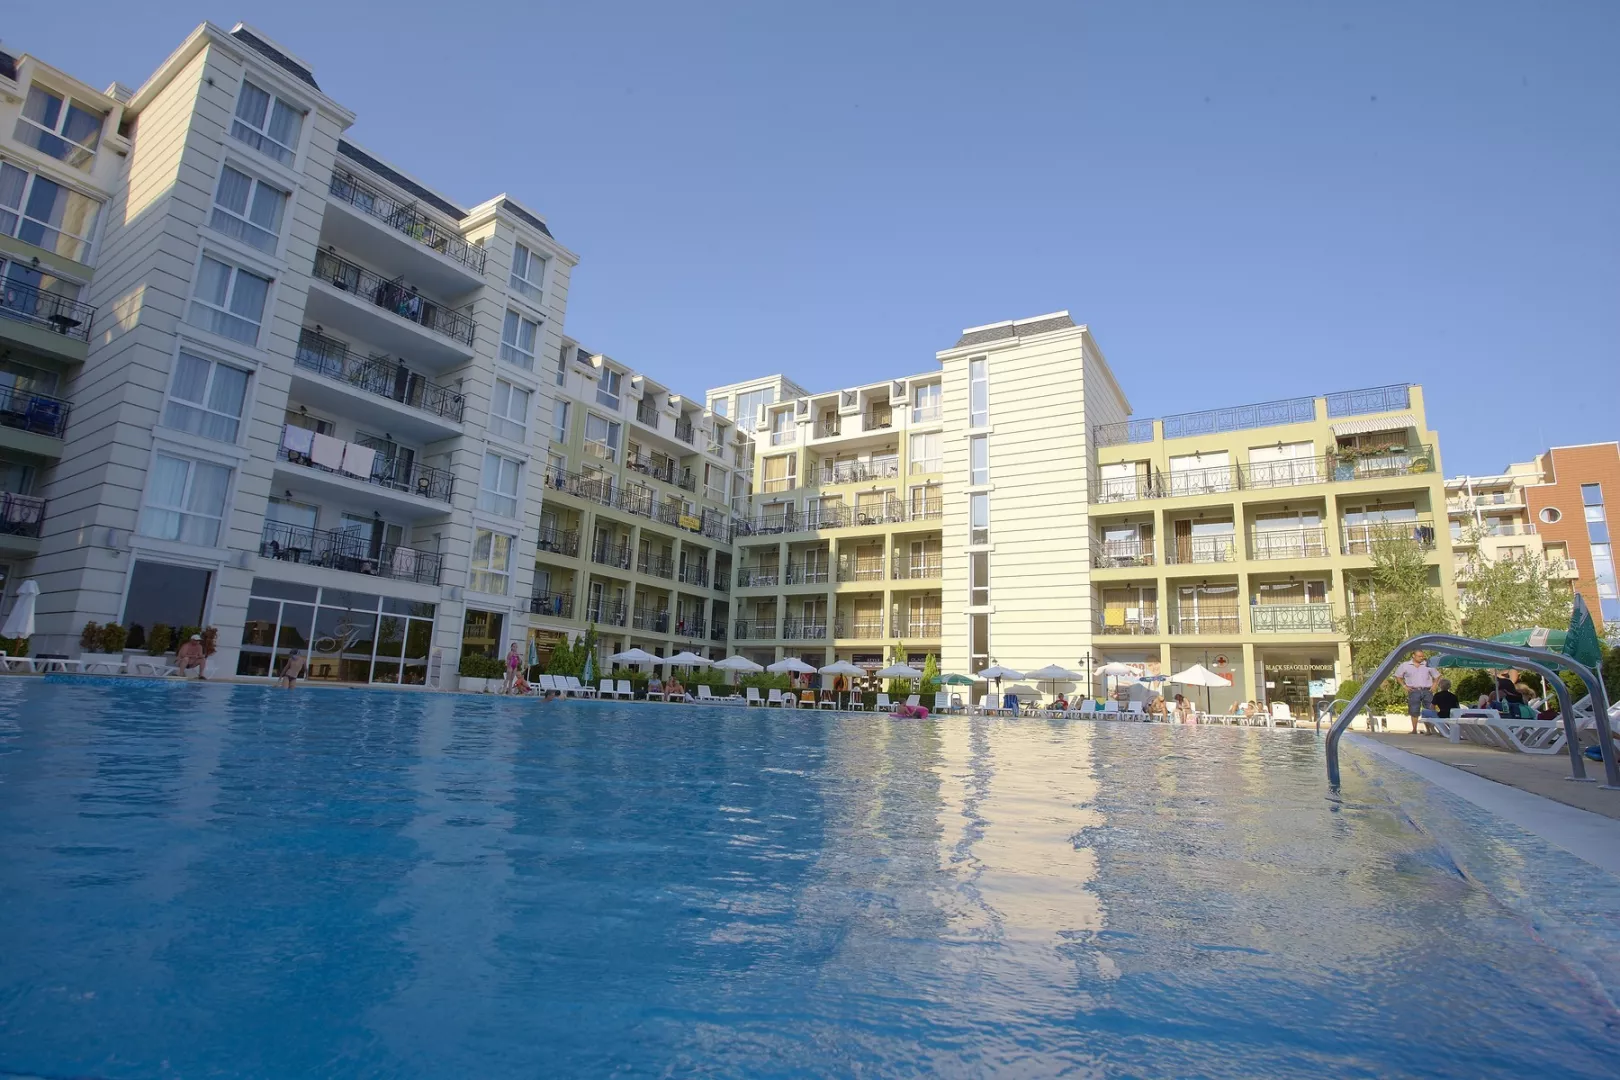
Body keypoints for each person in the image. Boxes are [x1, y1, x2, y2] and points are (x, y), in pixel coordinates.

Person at [1392, 650, 1438, 734]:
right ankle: (1414, 730)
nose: (1421, 658)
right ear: (1413, 655)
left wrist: (1434, 685)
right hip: (1413, 690)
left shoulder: (1428, 664)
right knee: (1414, 710)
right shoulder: (1405, 665)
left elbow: (1437, 676)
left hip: (1427, 690)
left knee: (1429, 710)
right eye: (1419, 656)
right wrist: (1404, 686)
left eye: (1422, 656)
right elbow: (1398, 676)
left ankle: (1430, 730)